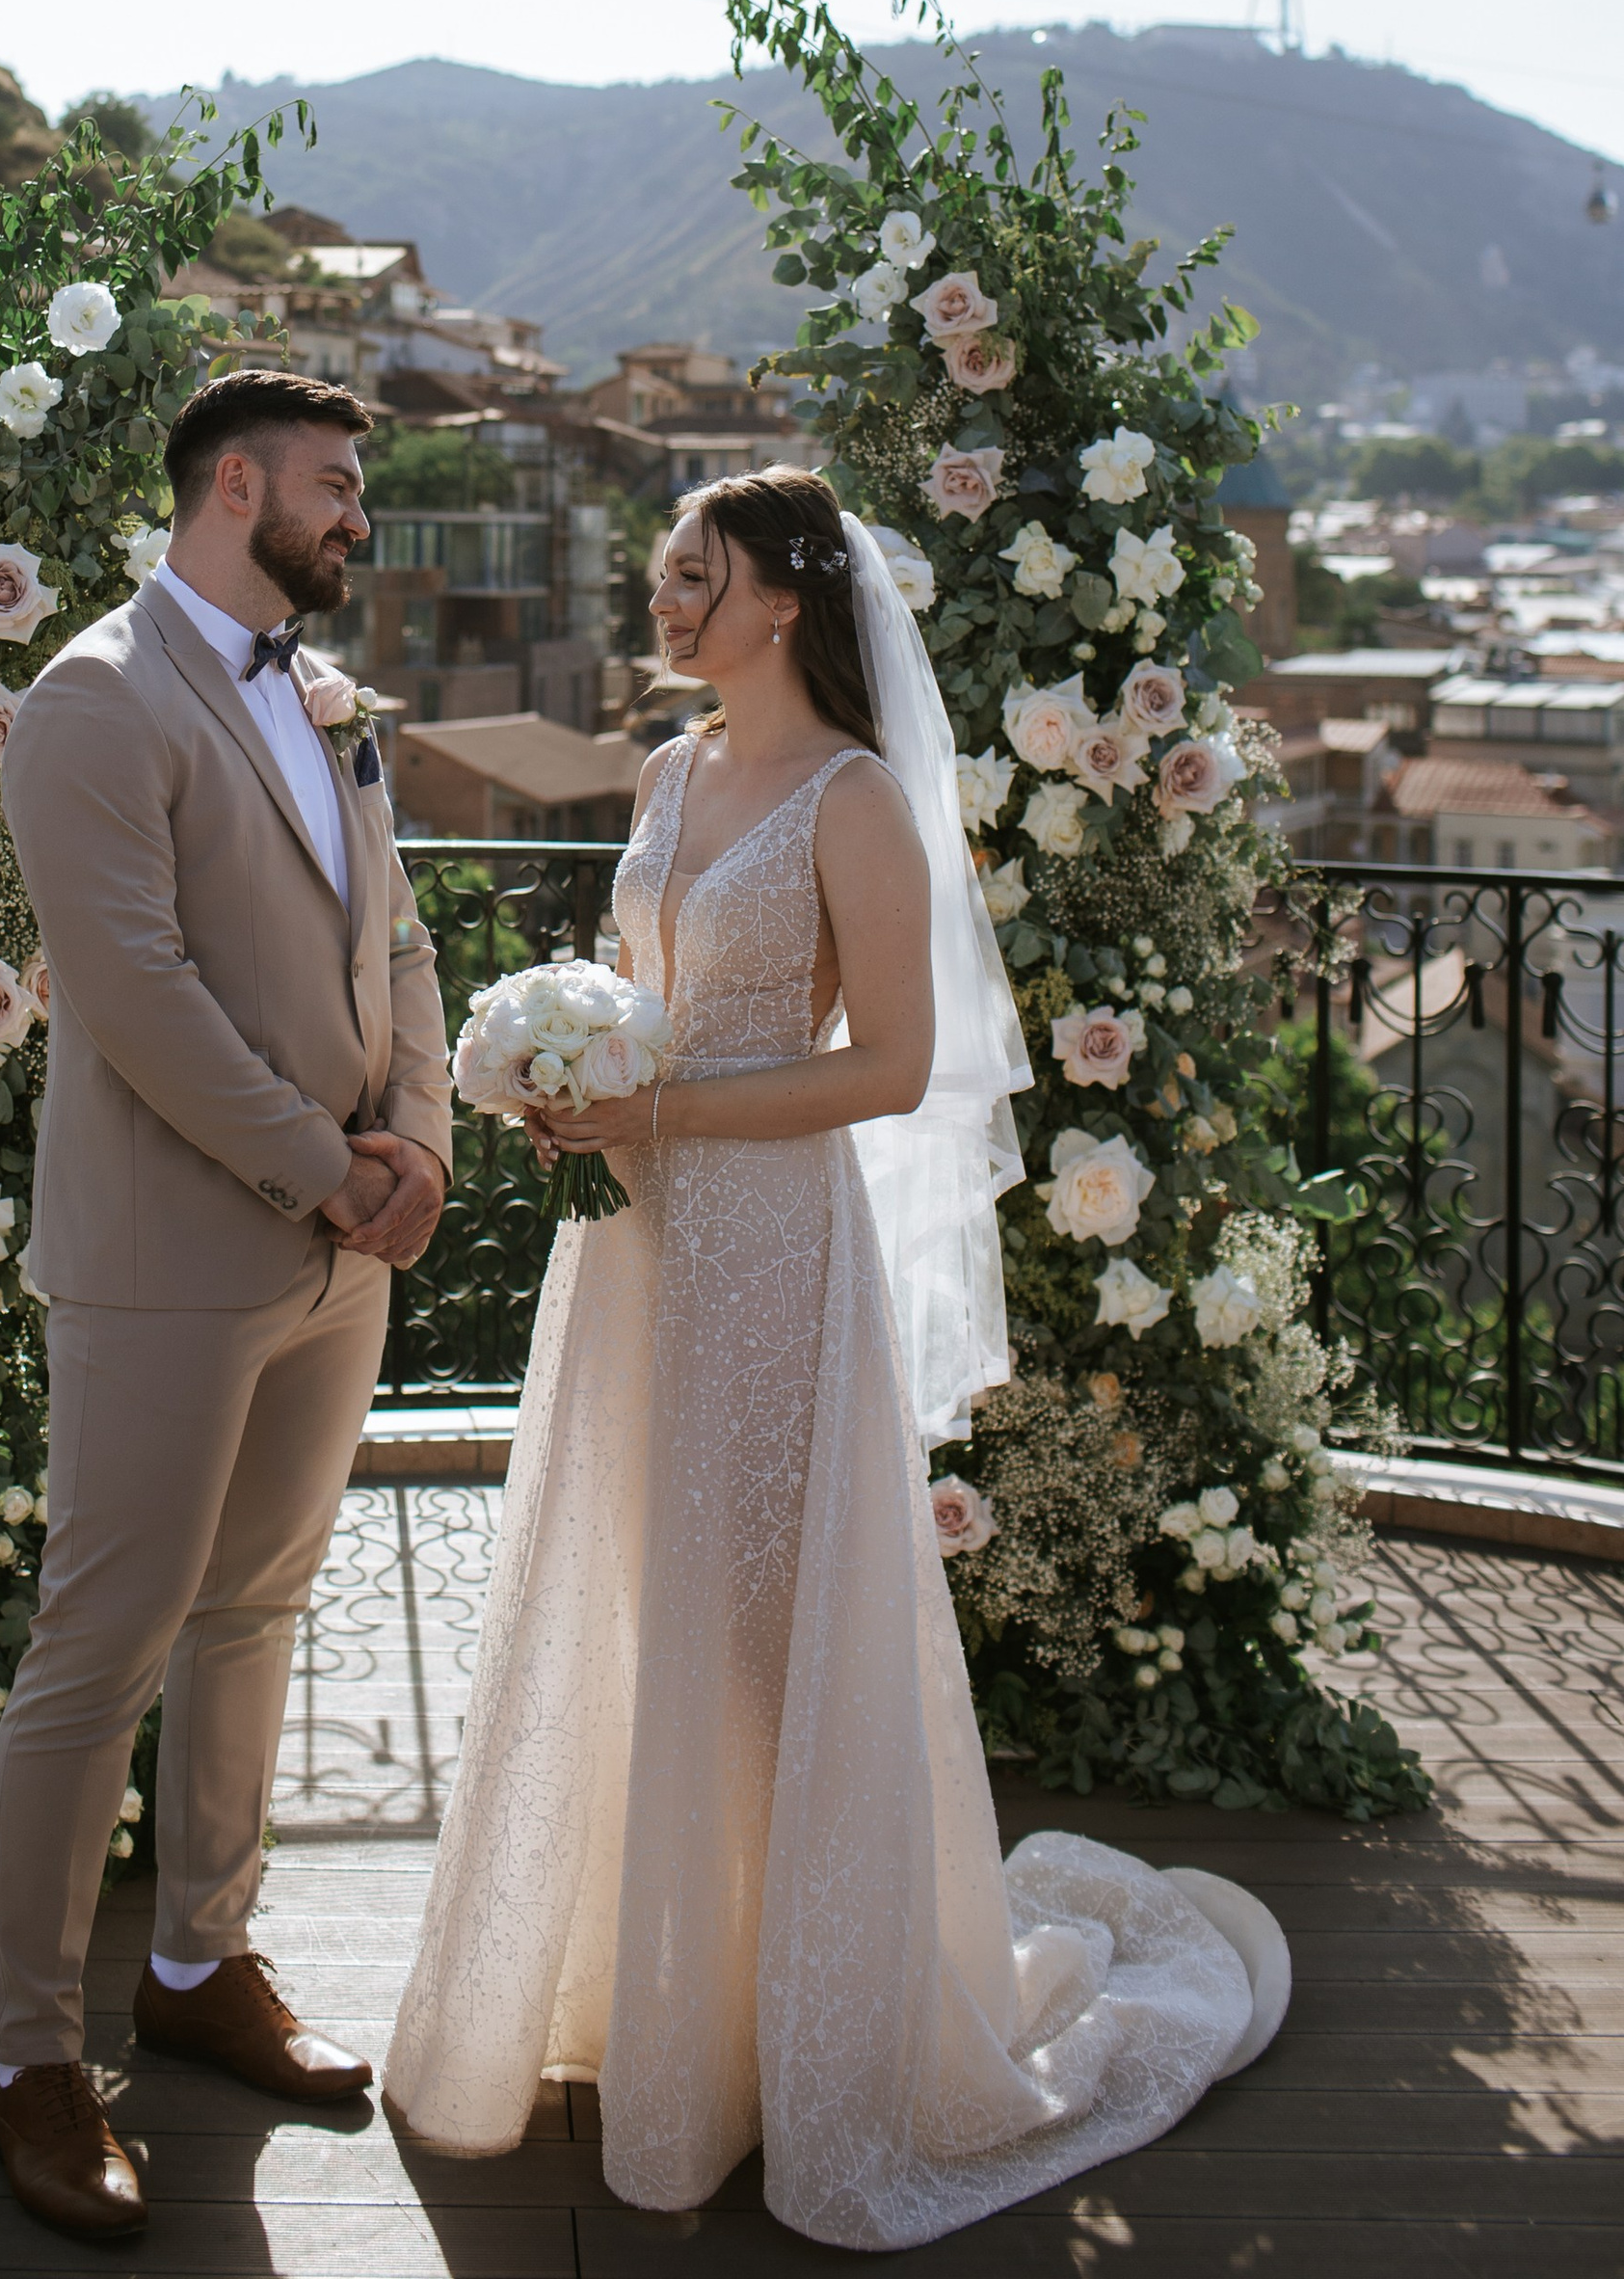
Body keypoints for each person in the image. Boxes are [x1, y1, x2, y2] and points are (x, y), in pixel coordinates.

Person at [381, 465, 1284, 2251]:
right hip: (638, 1245)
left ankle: (806, 2042)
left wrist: (670, 1101)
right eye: (660, 575)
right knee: (646, 1600)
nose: (665, 600)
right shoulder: (665, 773)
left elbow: (891, 1064)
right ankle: (666, 2015)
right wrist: (570, 1082)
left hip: (776, 1248)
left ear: (784, 599)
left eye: (692, 574)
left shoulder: (858, 798)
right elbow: (641, 982)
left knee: (765, 1626)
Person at [0, 368, 453, 2241]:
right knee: (96, 1654)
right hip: (169, 1263)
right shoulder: (91, 701)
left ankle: (196, 1967)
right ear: (231, 484)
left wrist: (414, 1136)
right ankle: (31, 2061)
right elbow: (133, 991)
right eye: (335, 489)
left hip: (337, 1252)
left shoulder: (324, 700)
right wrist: (321, 1162)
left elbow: (395, 935)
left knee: (254, 1612)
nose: (354, 521)